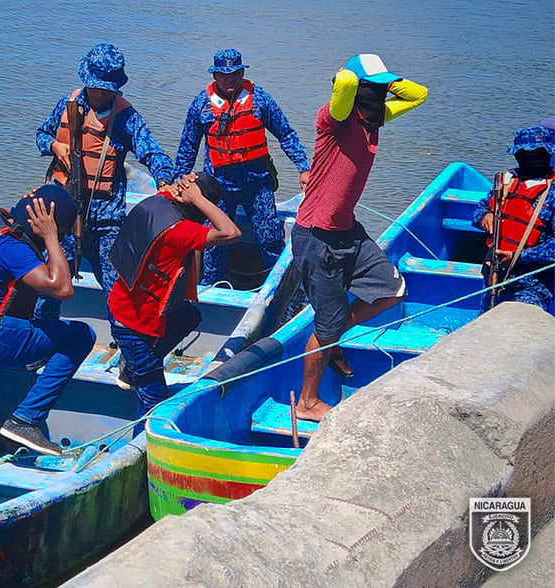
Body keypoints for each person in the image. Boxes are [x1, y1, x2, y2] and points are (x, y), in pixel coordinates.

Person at [291, 54, 428, 422]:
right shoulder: (334, 120)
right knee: (326, 326)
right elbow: (347, 86)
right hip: (317, 235)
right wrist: (350, 76)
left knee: (393, 290)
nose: (380, 94)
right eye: (374, 87)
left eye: (383, 89)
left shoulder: (375, 119)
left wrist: (383, 82)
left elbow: (419, 94)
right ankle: (306, 403)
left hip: (348, 231)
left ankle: (333, 335)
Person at [0, 184, 96, 457]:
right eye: (58, 229)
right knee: (81, 336)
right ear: (42, 223)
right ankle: (26, 419)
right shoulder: (12, 247)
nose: (58, 235)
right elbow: (63, 288)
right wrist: (51, 238)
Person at [35, 42, 175, 319]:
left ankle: (129, 347)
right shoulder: (68, 103)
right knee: (49, 286)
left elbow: (153, 152)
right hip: (62, 214)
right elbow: (41, 134)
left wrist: (165, 180)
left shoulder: (125, 117)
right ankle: (39, 343)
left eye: (106, 88)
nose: (99, 92)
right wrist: (54, 146)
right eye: (95, 86)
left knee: (118, 290)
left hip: (105, 221)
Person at [108, 173, 241, 432]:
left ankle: (132, 366)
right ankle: (139, 451)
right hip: (136, 328)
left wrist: (184, 190)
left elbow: (168, 189)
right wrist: (200, 199)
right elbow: (231, 231)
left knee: (189, 316)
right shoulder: (180, 232)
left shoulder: (157, 202)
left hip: (120, 305)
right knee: (153, 402)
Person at [174, 48, 310, 285]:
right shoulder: (201, 105)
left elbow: (286, 134)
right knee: (214, 243)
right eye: (224, 74)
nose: (230, 79)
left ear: (242, 72)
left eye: (235, 73)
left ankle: (281, 290)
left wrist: (303, 167)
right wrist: (179, 180)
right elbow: (187, 146)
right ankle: (211, 286)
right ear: (215, 75)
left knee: (270, 238)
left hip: (257, 183)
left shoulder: (260, 99)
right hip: (218, 186)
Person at [473, 125, 555, 312]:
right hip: (494, 276)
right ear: (518, 156)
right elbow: (480, 209)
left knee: (518, 329)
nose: (534, 160)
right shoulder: (506, 181)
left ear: (549, 155)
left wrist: (519, 257)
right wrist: (485, 216)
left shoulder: (552, 192)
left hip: (532, 285)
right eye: (528, 155)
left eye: (539, 154)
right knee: (487, 324)